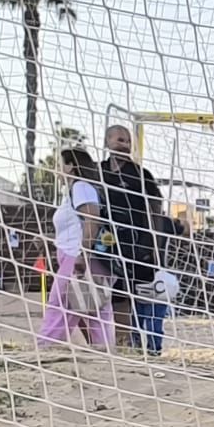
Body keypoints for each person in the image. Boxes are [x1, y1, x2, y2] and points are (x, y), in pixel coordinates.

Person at [37, 146, 113, 350]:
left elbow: (92, 220)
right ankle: (105, 352)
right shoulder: (74, 190)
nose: (56, 169)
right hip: (78, 256)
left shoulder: (80, 187)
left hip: (78, 258)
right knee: (95, 309)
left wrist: (83, 255)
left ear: (70, 167)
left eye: (59, 164)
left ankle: (45, 347)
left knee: (60, 304)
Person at [99, 122, 164, 350]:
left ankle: (136, 344)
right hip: (104, 246)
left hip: (137, 246)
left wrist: (154, 244)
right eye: (120, 140)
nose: (124, 145)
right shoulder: (98, 172)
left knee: (135, 296)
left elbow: (156, 208)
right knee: (106, 296)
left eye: (127, 141)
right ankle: (115, 341)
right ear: (107, 142)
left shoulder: (141, 175)